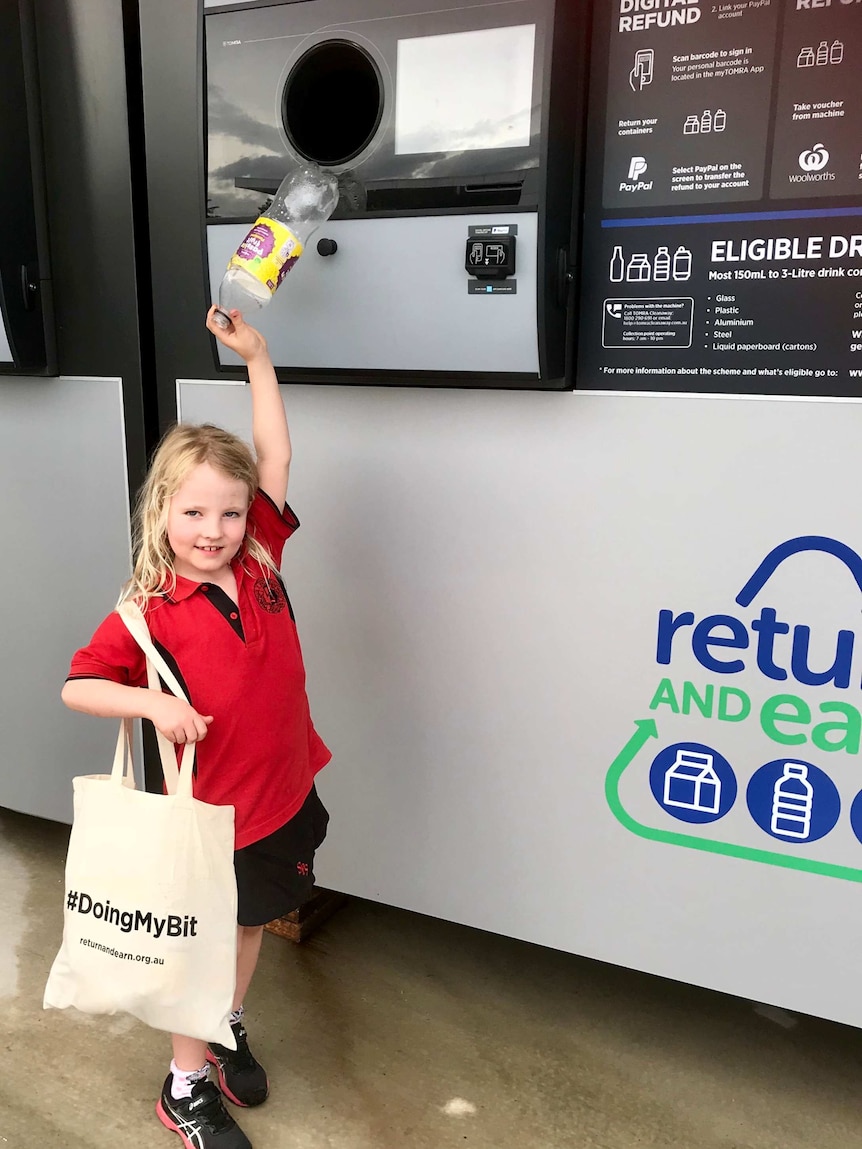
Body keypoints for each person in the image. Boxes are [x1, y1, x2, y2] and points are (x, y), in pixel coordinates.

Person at [61, 307, 331, 1149]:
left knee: (248, 930)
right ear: (160, 514)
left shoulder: (261, 560)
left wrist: (257, 359)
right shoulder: (147, 609)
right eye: (193, 516)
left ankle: (223, 1023)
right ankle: (185, 1087)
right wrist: (153, 704)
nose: (213, 532)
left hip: (283, 792)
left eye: (229, 513)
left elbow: (276, 453)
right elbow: (79, 684)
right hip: (213, 819)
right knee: (205, 948)